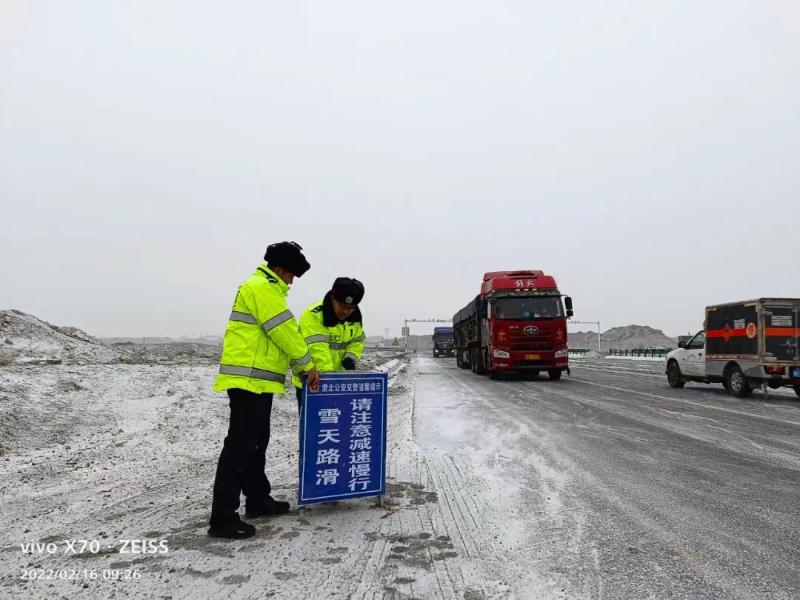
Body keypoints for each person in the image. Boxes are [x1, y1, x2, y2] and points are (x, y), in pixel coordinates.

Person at [208, 241, 320, 539]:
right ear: (279, 269)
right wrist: (307, 365)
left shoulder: (267, 288)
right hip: (248, 381)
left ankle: (257, 500)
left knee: (257, 444)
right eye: (291, 274)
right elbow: (285, 333)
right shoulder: (262, 288)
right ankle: (222, 518)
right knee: (240, 447)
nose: (292, 281)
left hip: (259, 381)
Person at [292, 277, 366, 411]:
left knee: (338, 427)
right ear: (332, 297)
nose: (345, 312)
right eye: (342, 306)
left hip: (340, 384)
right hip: (313, 383)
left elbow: (357, 340)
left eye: (350, 308)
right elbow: (317, 349)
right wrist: (330, 382)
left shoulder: (354, 318)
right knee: (314, 428)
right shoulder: (314, 315)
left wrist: (350, 357)